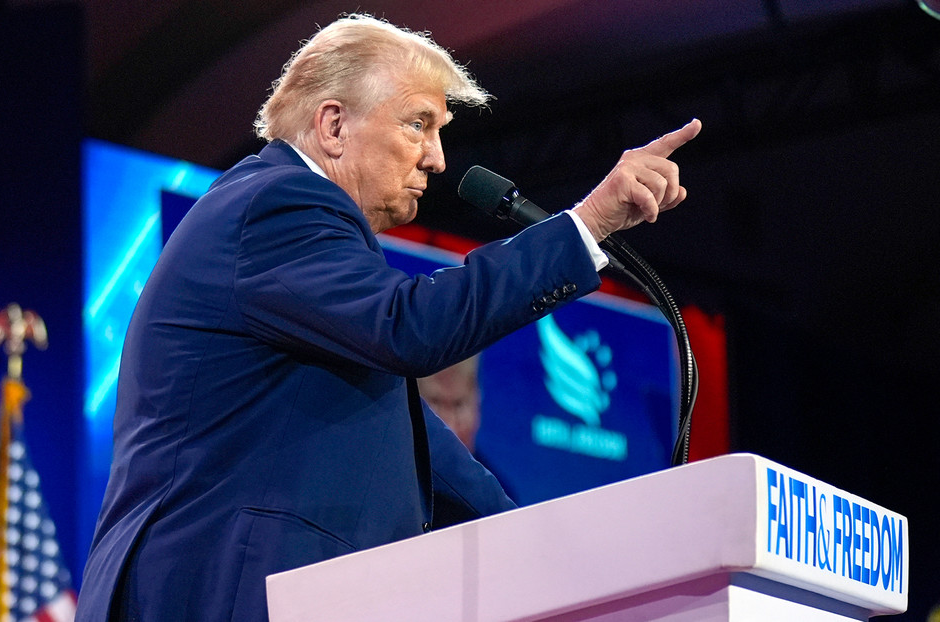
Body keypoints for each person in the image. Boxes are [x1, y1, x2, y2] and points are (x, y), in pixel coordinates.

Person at [77, 13, 701, 622]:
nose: (437, 159)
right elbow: (413, 326)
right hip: (218, 588)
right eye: (418, 124)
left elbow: (441, 468)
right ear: (333, 126)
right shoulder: (276, 204)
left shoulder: (311, 264)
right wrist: (587, 224)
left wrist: (579, 571)